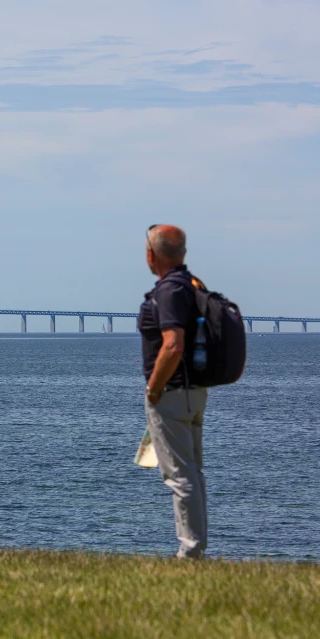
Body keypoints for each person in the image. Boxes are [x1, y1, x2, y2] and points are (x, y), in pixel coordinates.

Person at [137, 224, 208, 559]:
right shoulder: (193, 285)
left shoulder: (168, 291)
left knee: (179, 476)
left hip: (172, 392)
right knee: (192, 472)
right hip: (194, 391)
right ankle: (196, 548)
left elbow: (173, 345)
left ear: (151, 255)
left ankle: (189, 553)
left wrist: (153, 389)